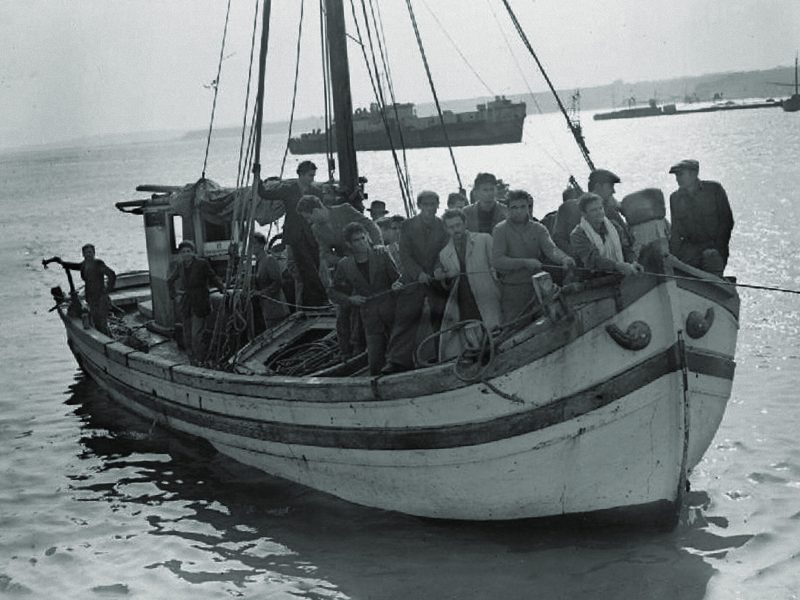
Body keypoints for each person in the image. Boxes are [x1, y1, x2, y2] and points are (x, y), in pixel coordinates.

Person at [296, 194, 382, 358]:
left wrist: (378, 246)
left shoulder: (344, 210)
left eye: (308, 217)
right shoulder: (316, 229)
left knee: (365, 308)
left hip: (367, 259)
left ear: (316, 210)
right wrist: (342, 261)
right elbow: (325, 253)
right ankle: (346, 353)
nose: (309, 221)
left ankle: (365, 346)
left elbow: (370, 225)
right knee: (343, 312)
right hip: (347, 267)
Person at [382, 190, 449, 374]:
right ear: (419, 206)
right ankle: (397, 360)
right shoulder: (408, 225)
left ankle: (440, 355)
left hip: (435, 280)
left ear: (438, 206)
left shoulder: (442, 226)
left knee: (440, 318)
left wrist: (437, 268)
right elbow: (405, 254)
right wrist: (418, 273)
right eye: (425, 205)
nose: (429, 208)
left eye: (433, 204)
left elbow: (444, 251)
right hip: (412, 279)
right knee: (405, 319)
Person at [329, 223, 402, 374]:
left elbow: (398, 278)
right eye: (357, 240)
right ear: (349, 244)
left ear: (368, 237)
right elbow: (333, 292)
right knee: (375, 364)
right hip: (370, 319)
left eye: (363, 238)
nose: (362, 242)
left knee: (400, 357)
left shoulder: (382, 254)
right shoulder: (345, 265)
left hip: (392, 313)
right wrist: (350, 299)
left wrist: (397, 285)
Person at [492, 190, 575, 322]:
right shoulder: (500, 230)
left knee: (551, 323)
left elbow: (551, 249)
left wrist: (564, 258)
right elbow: (497, 261)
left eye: (523, 206)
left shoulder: (539, 228)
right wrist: (525, 262)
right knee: (516, 327)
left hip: (540, 288)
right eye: (514, 207)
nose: (519, 211)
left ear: (528, 207)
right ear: (507, 209)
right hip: (513, 291)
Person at [257, 160, 327, 307]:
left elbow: (322, 212)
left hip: (312, 235)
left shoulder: (316, 192)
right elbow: (265, 193)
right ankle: (318, 300)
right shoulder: (288, 189)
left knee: (314, 266)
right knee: (306, 267)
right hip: (295, 235)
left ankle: (311, 302)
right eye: (310, 175)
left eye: (313, 175)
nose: (312, 179)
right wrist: (257, 177)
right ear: (301, 174)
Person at [434, 209, 501, 361]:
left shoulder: (484, 239)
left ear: (465, 223)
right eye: (451, 227)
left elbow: (497, 267)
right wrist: (444, 277)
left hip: (488, 297)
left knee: (496, 336)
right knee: (475, 343)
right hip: (465, 304)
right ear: (446, 229)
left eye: (458, 225)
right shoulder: (444, 254)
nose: (455, 230)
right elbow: (448, 286)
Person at [667, 159, 734, 276]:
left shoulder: (714, 189)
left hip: (714, 249)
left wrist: (718, 248)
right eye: (676, 175)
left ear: (694, 174)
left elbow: (727, 221)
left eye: (681, 174)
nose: (677, 179)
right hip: (691, 251)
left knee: (711, 259)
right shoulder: (675, 198)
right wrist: (672, 257)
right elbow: (676, 232)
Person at [167, 240, 225, 365]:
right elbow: (170, 280)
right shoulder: (180, 265)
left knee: (196, 335)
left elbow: (213, 277)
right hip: (186, 304)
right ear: (180, 254)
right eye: (183, 252)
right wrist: (174, 295)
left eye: (188, 251)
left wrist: (223, 289)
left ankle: (201, 360)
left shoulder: (202, 264)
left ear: (193, 252)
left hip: (200, 303)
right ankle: (192, 361)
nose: (186, 254)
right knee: (187, 336)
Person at [569, 193, 642, 278]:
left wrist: (633, 262)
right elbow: (593, 260)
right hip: (591, 278)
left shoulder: (615, 226)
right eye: (594, 210)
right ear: (584, 214)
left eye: (600, 208)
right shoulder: (577, 235)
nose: (599, 212)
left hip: (620, 274)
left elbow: (626, 249)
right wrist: (617, 266)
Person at [54, 243, 116, 335]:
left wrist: (107, 290)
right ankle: (103, 335)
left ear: (94, 253)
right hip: (91, 297)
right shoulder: (84, 264)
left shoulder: (98, 264)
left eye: (90, 252)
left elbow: (112, 275)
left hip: (100, 298)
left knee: (102, 321)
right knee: (96, 320)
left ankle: (107, 337)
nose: (88, 254)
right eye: (86, 253)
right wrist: (62, 262)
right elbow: (75, 266)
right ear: (83, 254)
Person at [252, 232, 289, 331]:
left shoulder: (269, 260)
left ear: (262, 245)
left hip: (277, 309)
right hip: (267, 309)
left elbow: (278, 282)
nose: (252, 247)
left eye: (254, 243)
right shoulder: (258, 262)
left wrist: (262, 293)